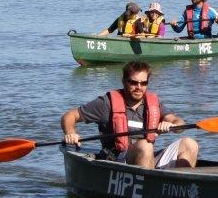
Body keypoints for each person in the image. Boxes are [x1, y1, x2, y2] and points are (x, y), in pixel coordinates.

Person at [61, 61, 200, 169]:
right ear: (124, 82)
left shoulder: (153, 104)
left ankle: (180, 189)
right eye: (133, 82)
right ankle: (149, 191)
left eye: (143, 83)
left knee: (190, 144)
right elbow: (70, 116)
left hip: (147, 159)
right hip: (117, 161)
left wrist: (172, 125)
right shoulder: (107, 103)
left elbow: (179, 122)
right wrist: (71, 132)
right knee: (145, 145)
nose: (139, 87)